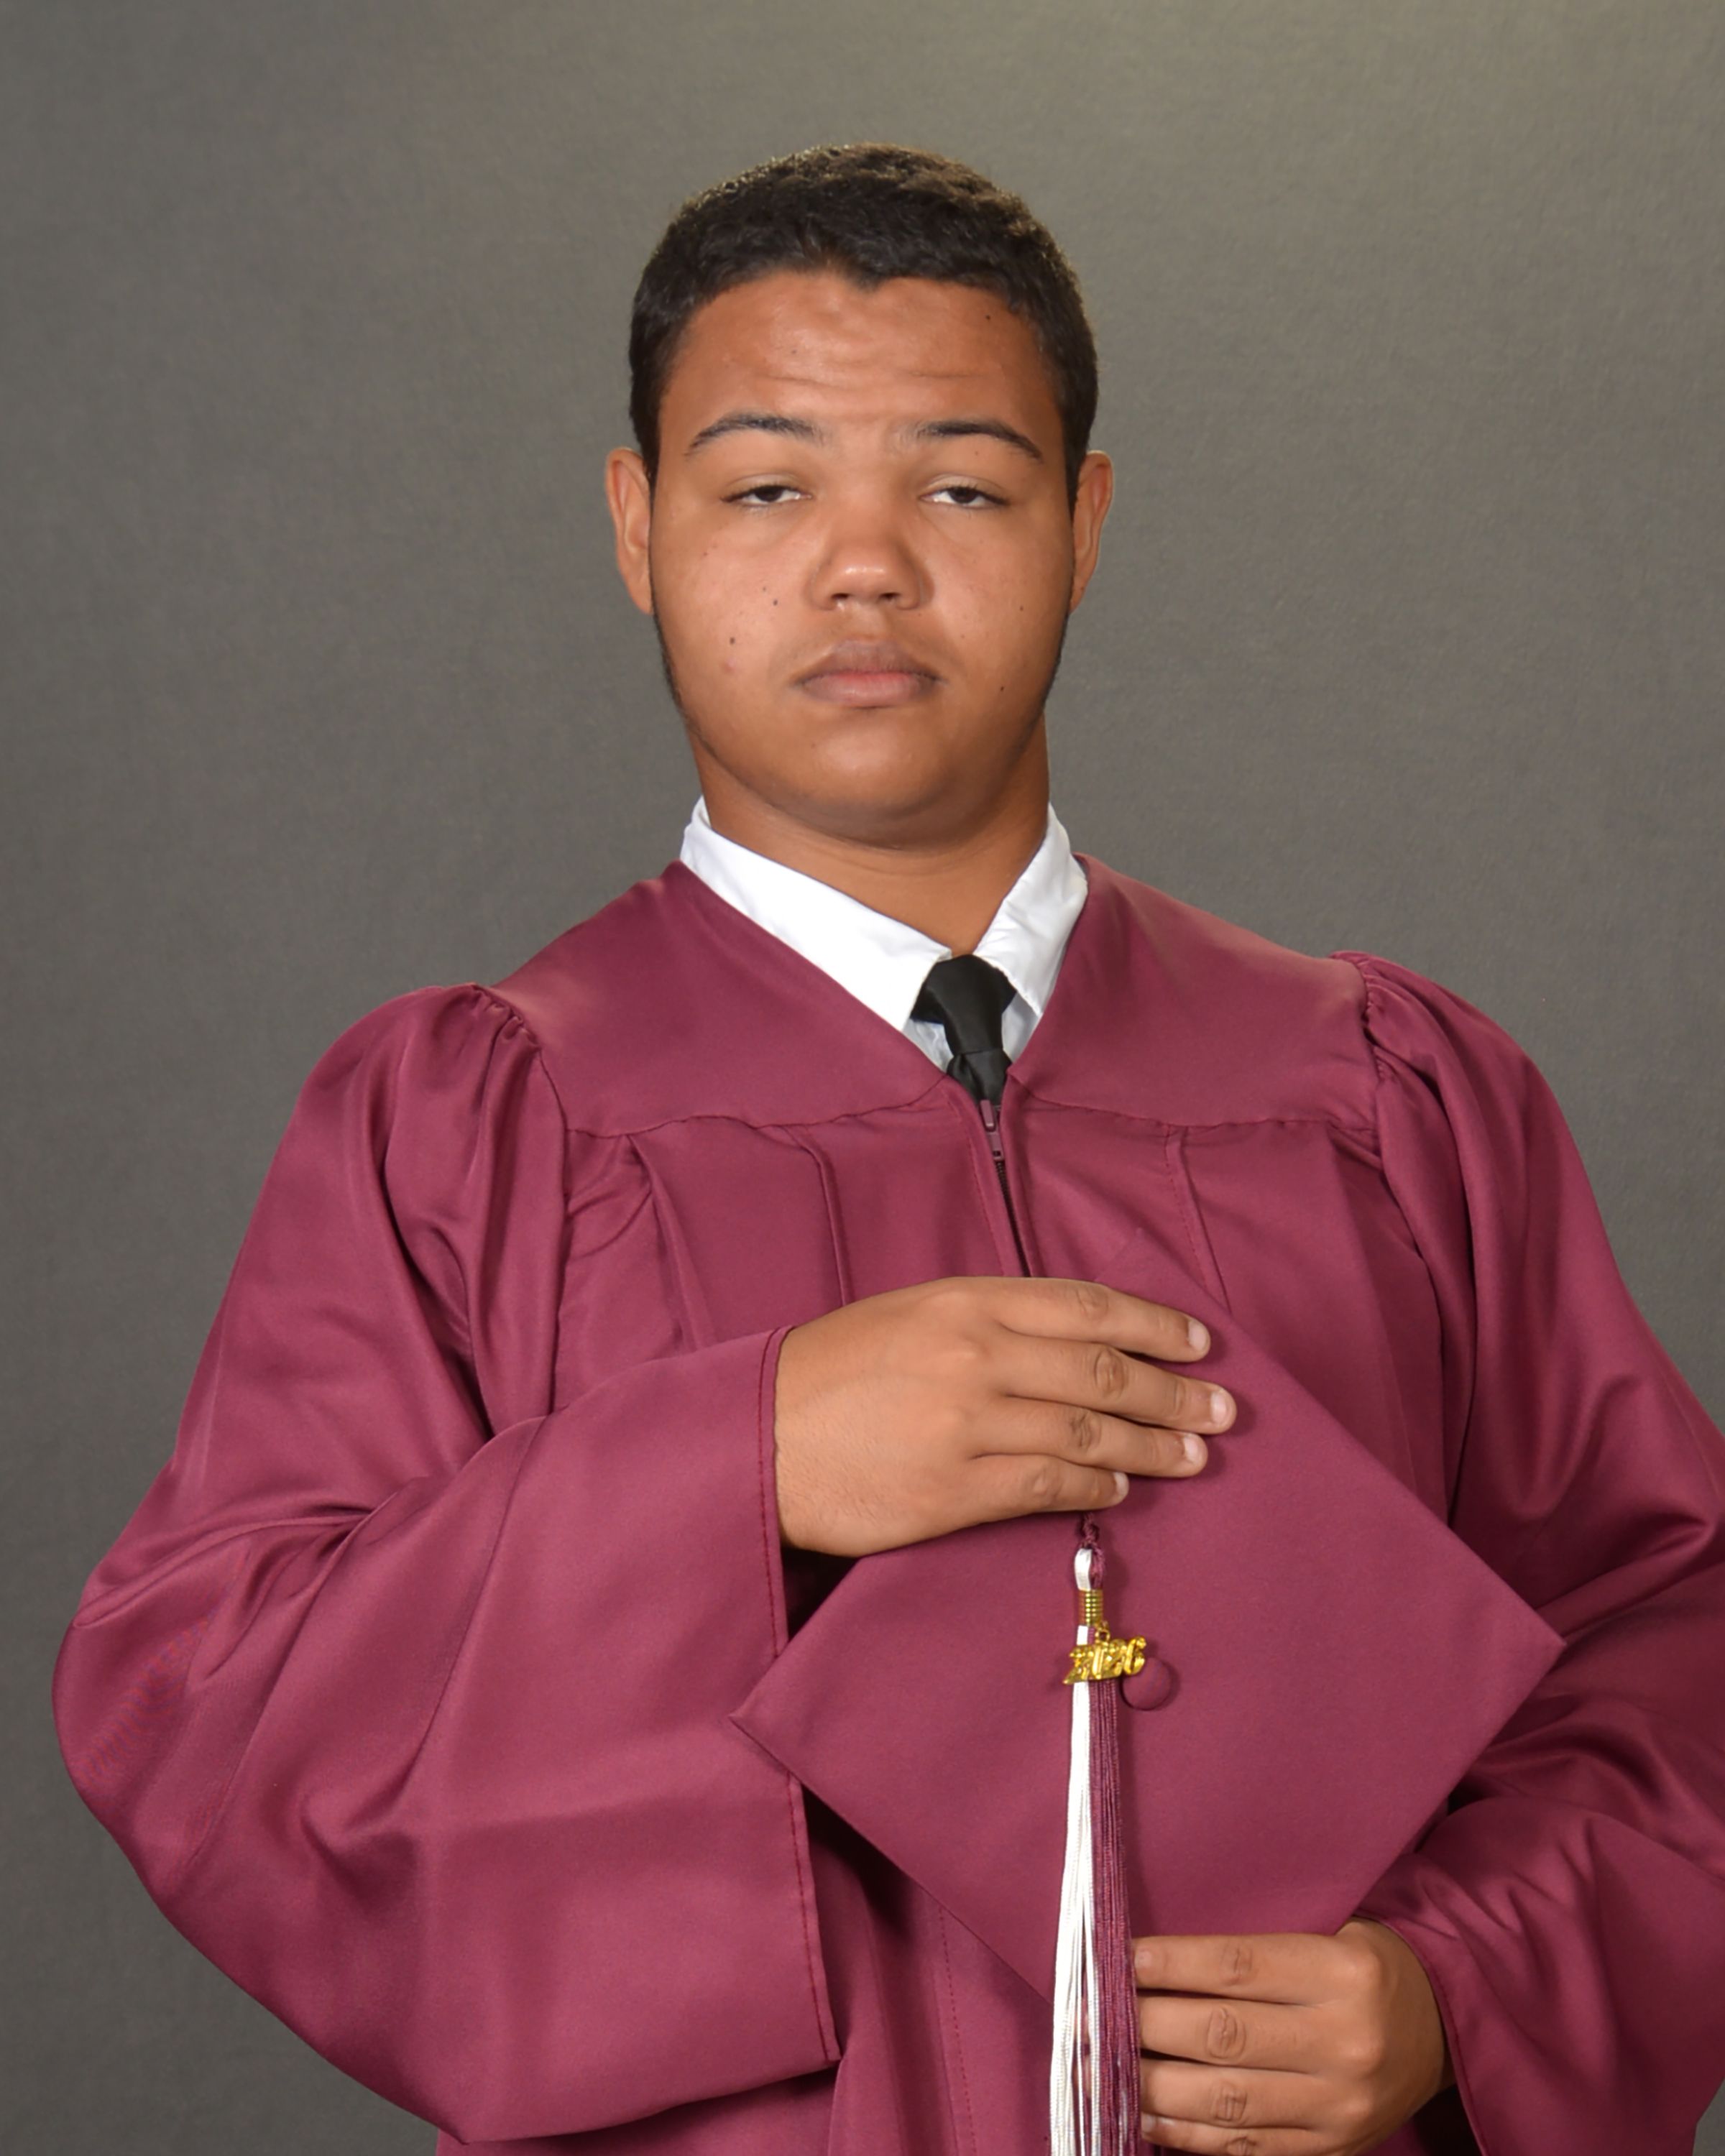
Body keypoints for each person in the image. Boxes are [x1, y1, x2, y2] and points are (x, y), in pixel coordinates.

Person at [53, 144, 1725, 2156]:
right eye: (767, 489)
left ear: (1085, 524)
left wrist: (1462, 1983)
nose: (865, 567)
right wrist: (739, 1464)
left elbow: (1676, 1647)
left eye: (963, 489)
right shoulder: (468, 1128)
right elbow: (215, 1714)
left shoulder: (1391, 1096)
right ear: (637, 526)